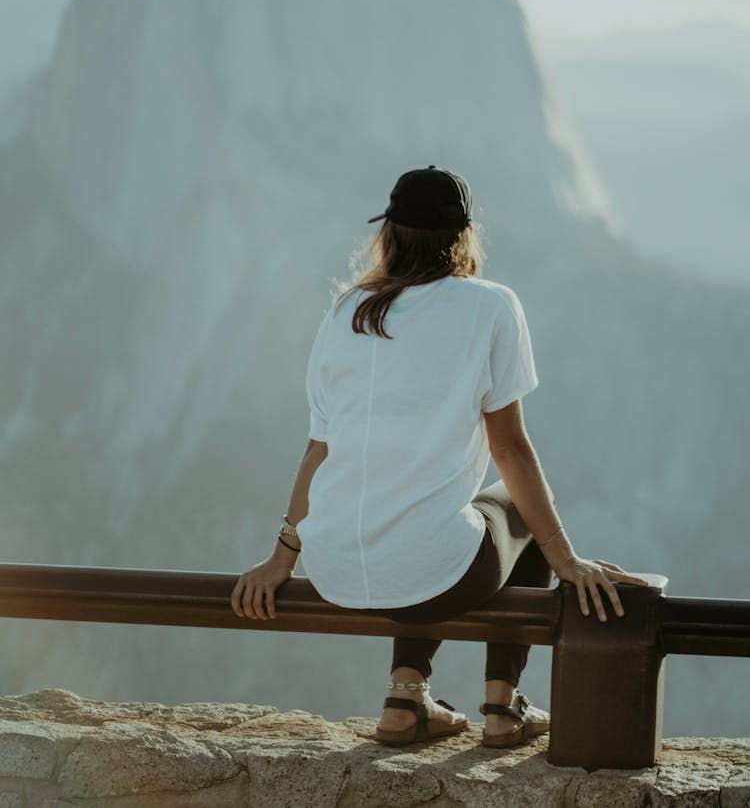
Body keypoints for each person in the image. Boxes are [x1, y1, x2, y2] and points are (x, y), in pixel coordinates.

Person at [230, 165, 649, 747]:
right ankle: (504, 707)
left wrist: (283, 556)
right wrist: (566, 561)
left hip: (334, 567)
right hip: (434, 573)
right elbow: (510, 447)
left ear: (390, 234)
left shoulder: (346, 311)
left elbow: (319, 450)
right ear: (465, 236)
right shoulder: (492, 306)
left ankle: (405, 698)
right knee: (511, 506)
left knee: (423, 518)